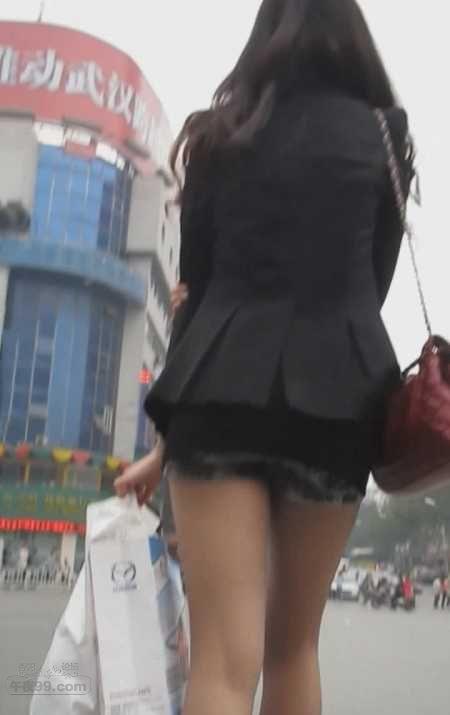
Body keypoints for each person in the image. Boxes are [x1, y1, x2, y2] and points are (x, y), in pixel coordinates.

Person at [115, 1, 414, 713]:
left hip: (217, 392)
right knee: (293, 647)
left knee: (223, 660)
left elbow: (193, 295)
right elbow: (371, 285)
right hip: (338, 401)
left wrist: (162, 447)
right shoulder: (383, 134)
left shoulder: (218, 133)